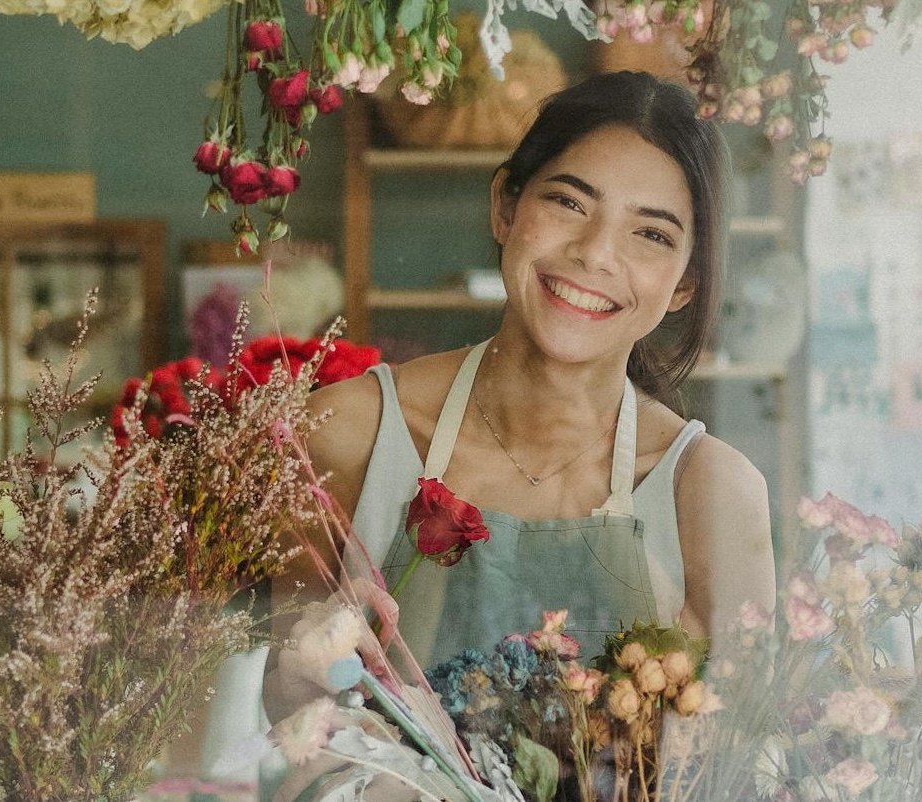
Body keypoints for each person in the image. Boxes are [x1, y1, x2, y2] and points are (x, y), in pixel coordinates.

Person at [270, 70, 777, 696]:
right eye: (569, 202)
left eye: (651, 234)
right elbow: (279, 711)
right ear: (505, 208)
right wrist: (303, 673)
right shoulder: (348, 434)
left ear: (685, 285)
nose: (595, 253)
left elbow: (738, 747)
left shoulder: (712, 493)